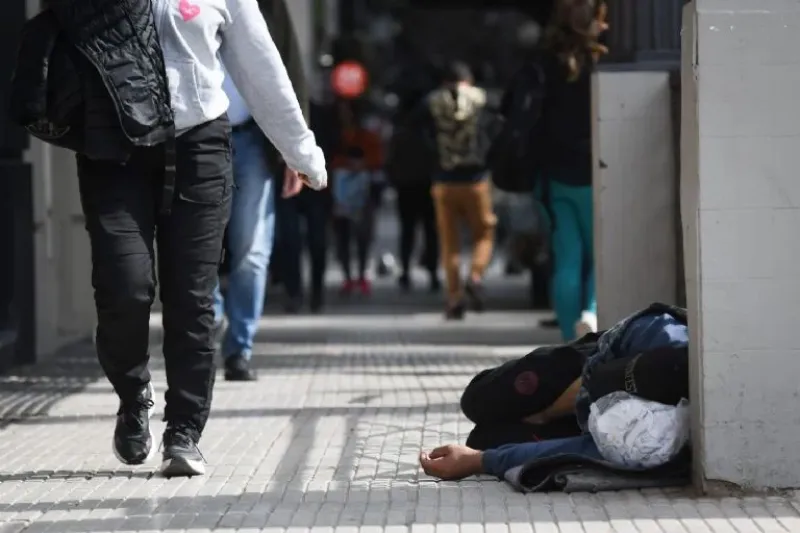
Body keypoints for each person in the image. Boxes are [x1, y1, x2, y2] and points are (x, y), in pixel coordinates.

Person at [70, 0, 327, 477]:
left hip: (199, 146)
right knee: (123, 284)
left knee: (191, 295)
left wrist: (300, 149)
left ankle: (183, 430)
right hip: (113, 145)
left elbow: (260, 64)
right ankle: (133, 396)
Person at [213, 0, 308, 382]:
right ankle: (210, 323)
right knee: (191, 246)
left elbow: (290, 73)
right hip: (192, 138)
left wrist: (294, 151)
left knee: (251, 251)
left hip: (253, 139)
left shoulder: (267, 4)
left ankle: (239, 348)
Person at [529, 0, 609, 340]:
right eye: (602, 21)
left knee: (567, 258)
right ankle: (591, 312)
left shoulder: (544, 63)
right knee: (600, 255)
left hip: (555, 175)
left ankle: (568, 340)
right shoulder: (603, 62)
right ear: (591, 23)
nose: (605, 27)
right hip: (597, 171)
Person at [422, 61, 496, 319]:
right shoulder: (483, 100)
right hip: (477, 180)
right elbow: (497, 130)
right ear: (470, 79)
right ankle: (475, 275)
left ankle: (454, 299)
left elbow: (414, 132)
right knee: (484, 233)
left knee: (449, 243)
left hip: (443, 182)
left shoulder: (431, 102)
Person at [329, 101, 384, 295]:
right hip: (340, 195)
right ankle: (348, 277)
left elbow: (377, 160)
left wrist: (360, 165)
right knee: (343, 236)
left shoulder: (368, 136)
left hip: (364, 195)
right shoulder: (334, 136)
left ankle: (361, 276)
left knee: (363, 236)